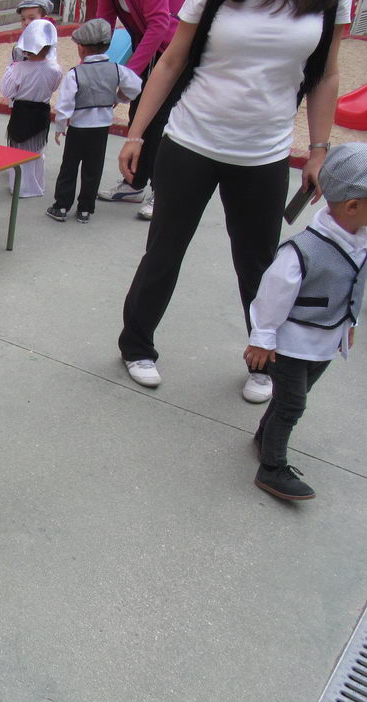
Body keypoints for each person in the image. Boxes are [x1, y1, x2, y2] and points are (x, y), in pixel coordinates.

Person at [116, 0, 349, 402]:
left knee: (259, 265)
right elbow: (172, 61)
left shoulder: (331, 4)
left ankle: (261, 362)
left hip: (264, 153)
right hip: (191, 141)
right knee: (163, 253)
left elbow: (325, 75)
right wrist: (136, 134)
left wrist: (318, 150)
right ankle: (136, 347)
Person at [244, 143, 367, 501]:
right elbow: (272, 295)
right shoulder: (302, 251)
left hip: (325, 341)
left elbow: (353, 286)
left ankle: (265, 436)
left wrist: (350, 323)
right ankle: (271, 467)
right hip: (291, 345)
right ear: (354, 206)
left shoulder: (359, 241)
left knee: (292, 397)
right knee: (292, 404)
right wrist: (262, 339)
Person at [47, 19, 141, 223]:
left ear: (81, 49)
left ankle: (61, 206)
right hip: (101, 129)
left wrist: (60, 125)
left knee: (69, 167)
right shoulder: (117, 70)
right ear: (107, 45)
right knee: (93, 168)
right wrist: (119, 97)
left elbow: (65, 103)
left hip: (79, 128)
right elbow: (135, 86)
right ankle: (85, 209)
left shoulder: (75, 74)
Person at [94, 0, 182, 220]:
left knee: (160, 120)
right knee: (137, 113)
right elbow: (103, 28)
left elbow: (160, 24)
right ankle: (134, 182)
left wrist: (130, 74)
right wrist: (94, 68)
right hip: (146, 44)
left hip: (172, 49)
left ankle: (162, 192)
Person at [1, 19, 63, 197]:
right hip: (41, 110)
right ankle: (36, 186)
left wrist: (11, 67)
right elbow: (53, 86)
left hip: (22, 111)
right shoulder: (55, 69)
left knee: (17, 151)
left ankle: (19, 187)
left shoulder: (19, 68)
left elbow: (7, 90)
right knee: (37, 150)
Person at [11, 0, 59, 65]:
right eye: (23, 19)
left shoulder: (47, 46)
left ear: (44, 20)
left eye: (31, 18)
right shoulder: (18, 48)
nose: (26, 23)